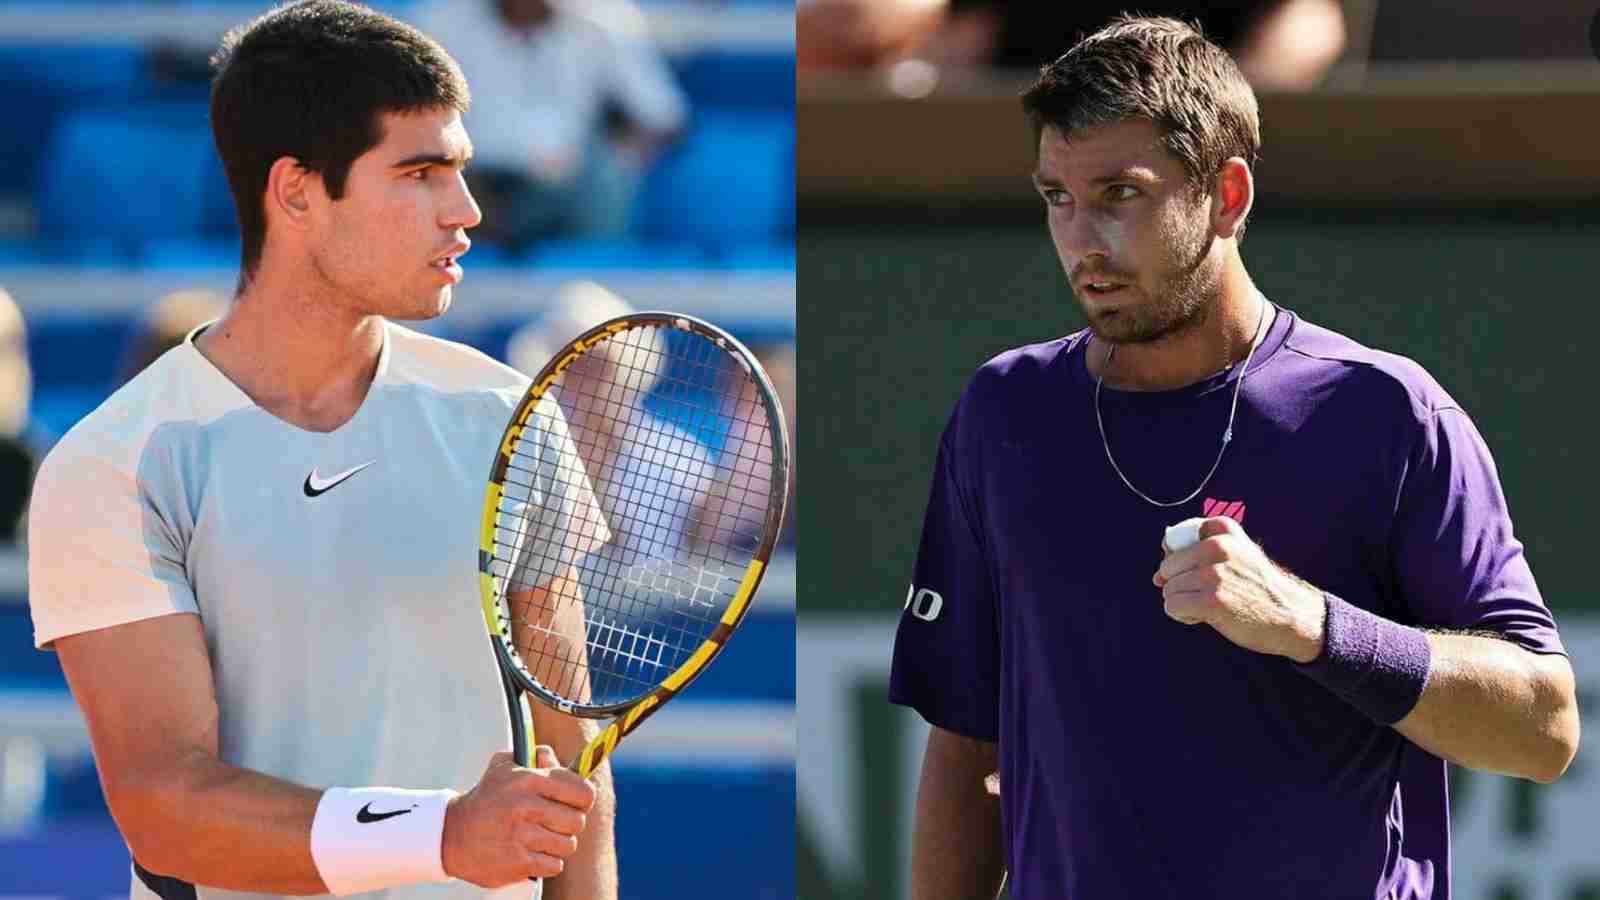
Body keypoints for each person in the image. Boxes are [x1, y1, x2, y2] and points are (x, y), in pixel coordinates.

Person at [887, 15, 1578, 900]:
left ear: (1228, 196)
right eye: (1057, 196)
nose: (1081, 240)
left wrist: (1313, 627)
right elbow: (966, 743)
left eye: (1121, 194)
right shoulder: (1003, 412)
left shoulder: (1386, 413)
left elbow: (1544, 728)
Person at [26, 3, 617, 899]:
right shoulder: (114, 464)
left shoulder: (507, 416)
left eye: (459, 168)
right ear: (296, 191)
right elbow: (163, 803)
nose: (466, 211)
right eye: (420, 173)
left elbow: (575, 776)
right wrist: (444, 837)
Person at [414, 0, 687, 248]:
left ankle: (591, 275)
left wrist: (623, 155)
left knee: (607, 178)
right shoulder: (442, 21)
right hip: (469, 180)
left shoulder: (605, 19)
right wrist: (449, 174)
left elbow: (663, 118)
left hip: (568, 187)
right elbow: (411, 119)